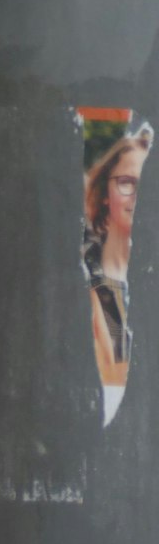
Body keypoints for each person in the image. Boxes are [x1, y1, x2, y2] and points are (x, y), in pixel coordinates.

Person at [83, 125, 149, 422]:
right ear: (105, 193)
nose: (139, 195)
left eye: (149, 182)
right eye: (126, 182)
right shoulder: (79, 281)